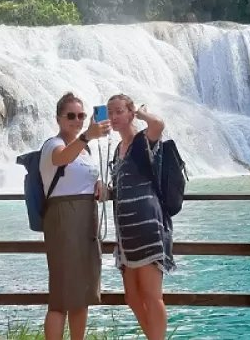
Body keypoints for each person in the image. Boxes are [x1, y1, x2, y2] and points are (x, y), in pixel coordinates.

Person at [39, 92, 110, 340]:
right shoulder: (52, 144)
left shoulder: (85, 150)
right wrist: (87, 135)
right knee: (60, 297)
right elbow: (60, 159)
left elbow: (81, 177)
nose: (77, 120)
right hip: (64, 222)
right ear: (59, 118)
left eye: (81, 115)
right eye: (71, 115)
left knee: (82, 295)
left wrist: (99, 184)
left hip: (85, 223)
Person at [106, 94, 173, 340]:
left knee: (151, 295)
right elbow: (123, 185)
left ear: (130, 112)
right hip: (125, 230)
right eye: (110, 112)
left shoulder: (143, 140)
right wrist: (107, 191)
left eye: (119, 111)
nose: (113, 117)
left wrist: (142, 113)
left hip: (146, 225)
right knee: (132, 297)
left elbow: (158, 125)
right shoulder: (117, 149)